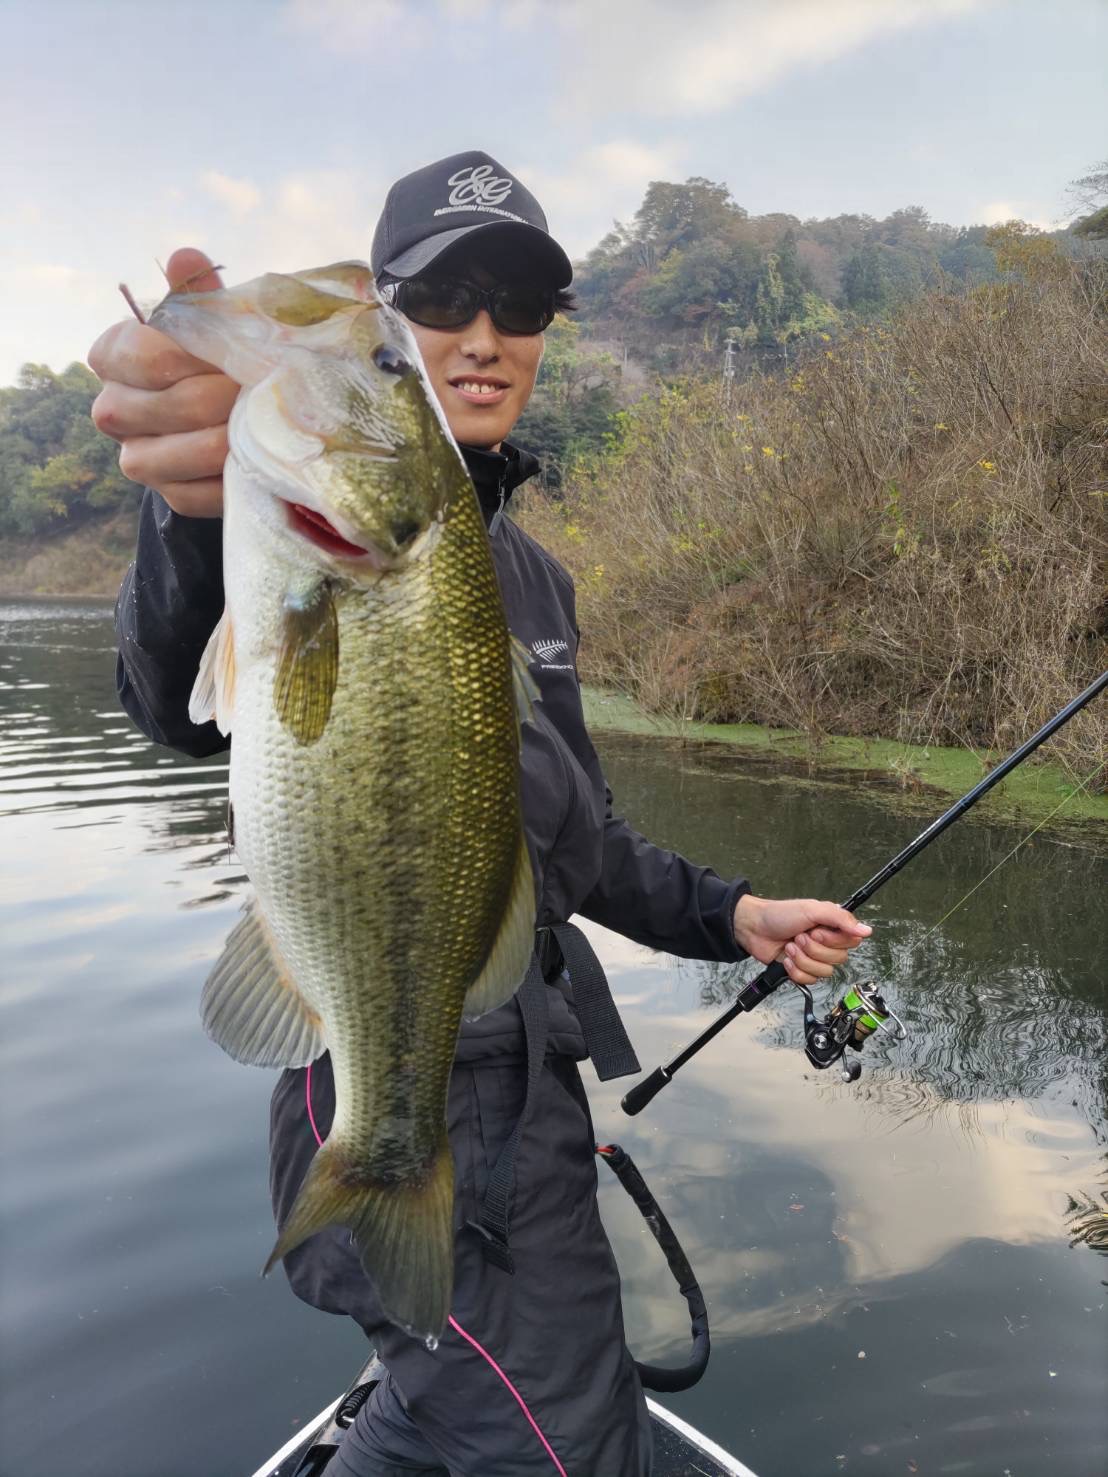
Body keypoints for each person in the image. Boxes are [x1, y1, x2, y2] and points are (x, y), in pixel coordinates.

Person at [90, 151, 872, 1477]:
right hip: (411, 1076)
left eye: (520, 300)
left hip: (528, 1090)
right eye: (444, 300)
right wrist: (187, 516)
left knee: (475, 1397)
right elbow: (170, 694)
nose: (486, 332)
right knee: (556, 1438)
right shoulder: (297, 526)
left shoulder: (538, 578)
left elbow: (573, 844)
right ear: (391, 317)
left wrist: (736, 912)